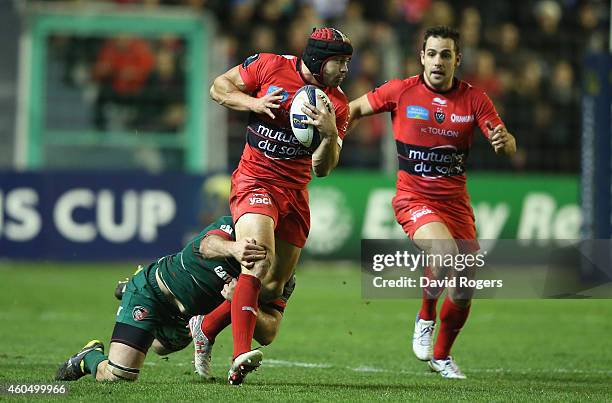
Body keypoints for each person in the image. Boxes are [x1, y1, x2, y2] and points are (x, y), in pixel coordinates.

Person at [348, 26, 516, 379]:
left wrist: (505, 142)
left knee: (465, 286)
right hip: (413, 198)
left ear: (457, 60)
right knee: (444, 253)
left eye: (446, 55)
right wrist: (330, 126)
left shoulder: (474, 99)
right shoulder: (401, 90)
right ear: (421, 57)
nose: (438, 61)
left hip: (455, 204)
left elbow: (503, 140)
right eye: (432, 54)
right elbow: (356, 108)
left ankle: (442, 355)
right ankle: (425, 315)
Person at [207, 27, 352, 384]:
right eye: (340, 62)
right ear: (318, 60)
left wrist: (331, 134)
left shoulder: (339, 104)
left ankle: (205, 326)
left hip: (295, 193)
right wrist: (254, 104)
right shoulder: (269, 66)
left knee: (271, 288)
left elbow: (323, 168)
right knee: (257, 258)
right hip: (255, 181)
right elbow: (218, 88)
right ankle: (239, 355)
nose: (346, 70)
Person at [55, 216, 295, 384]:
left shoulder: (282, 276)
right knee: (119, 375)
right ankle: (89, 357)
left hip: (185, 318)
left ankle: (131, 291)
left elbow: (269, 332)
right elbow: (205, 246)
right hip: (154, 293)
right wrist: (233, 249)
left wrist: (244, 301)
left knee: (162, 347)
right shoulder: (238, 226)